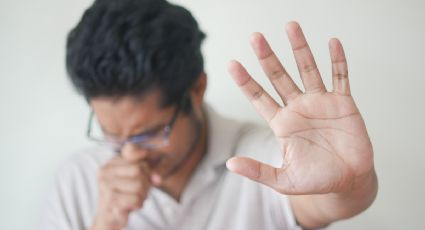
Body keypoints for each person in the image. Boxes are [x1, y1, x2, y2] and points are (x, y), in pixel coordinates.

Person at [40, 0, 378, 229]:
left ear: (197, 89)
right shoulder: (77, 179)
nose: (130, 153)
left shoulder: (265, 158)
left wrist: (350, 184)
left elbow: (328, 201)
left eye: (151, 133)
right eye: (111, 134)